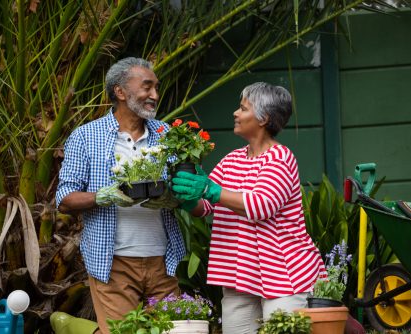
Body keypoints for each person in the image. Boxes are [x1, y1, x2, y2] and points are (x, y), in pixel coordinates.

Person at [172, 82, 327, 334]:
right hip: (239, 275)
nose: (235, 113)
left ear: (263, 118)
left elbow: (261, 206)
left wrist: (211, 190)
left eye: (243, 108)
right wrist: (191, 200)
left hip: (284, 275)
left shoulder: (281, 158)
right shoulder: (231, 160)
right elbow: (206, 207)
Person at [55, 57, 184, 334]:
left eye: (156, 88)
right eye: (147, 87)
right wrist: (104, 196)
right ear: (120, 92)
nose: (155, 95)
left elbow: (184, 184)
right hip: (113, 263)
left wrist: (176, 195)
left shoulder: (167, 134)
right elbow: (64, 198)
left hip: (162, 259)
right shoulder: (86, 136)